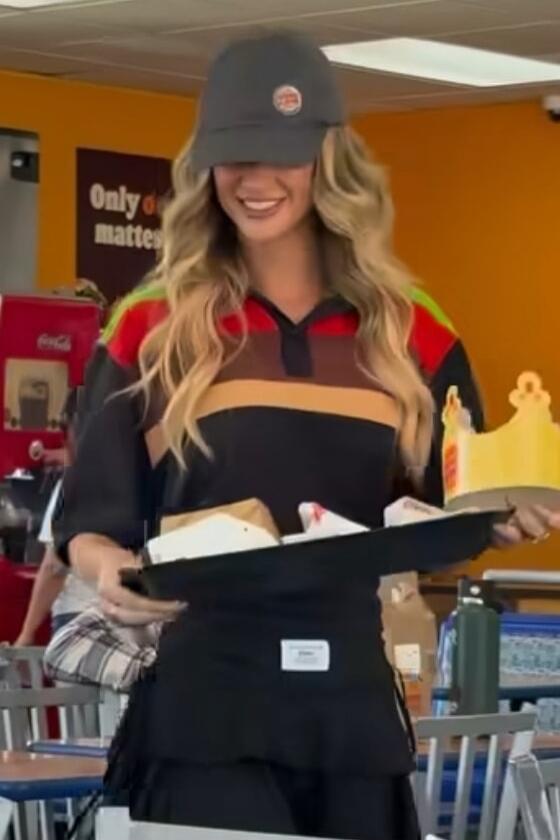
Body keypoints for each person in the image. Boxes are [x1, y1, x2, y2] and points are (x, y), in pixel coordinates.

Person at [54, 32, 560, 839]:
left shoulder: (413, 333)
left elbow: (439, 523)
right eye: (233, 158)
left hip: (352, 716)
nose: (255, 182)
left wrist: (499, 517)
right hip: (204, 711)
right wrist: (108, 567)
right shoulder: (150, 323)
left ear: (330, 158)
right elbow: (89, 521)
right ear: (204, 166)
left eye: (281, 155)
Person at [14, 390, 96, 645]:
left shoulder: (74, 485)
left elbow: (54, 567)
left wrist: (25, 635)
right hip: (134, 620)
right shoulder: (144, 477)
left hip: (79, 619)